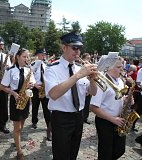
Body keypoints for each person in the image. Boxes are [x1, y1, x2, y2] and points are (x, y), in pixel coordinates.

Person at [44, 31, 98, 160]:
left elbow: (93, 92)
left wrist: (92, 80)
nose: (77, 51)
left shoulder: (80, 67)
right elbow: (54, 94)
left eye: (79, 48)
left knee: (73, 154)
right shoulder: (52, 68)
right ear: (64, 47)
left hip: (78, 117)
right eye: (74, 47)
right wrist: (78, 75)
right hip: (61, 118)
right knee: (61, 156)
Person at [89, 52, 127, 160]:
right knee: (106, 153)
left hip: (119, 119)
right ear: (109, 67)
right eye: (118, 67)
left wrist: (127, 99)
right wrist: (112, 119)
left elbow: (117, 97)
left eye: (121, 66)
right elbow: (92, 107)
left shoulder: (119, 80)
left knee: (119, 150)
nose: (121, 69)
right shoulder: (101, 82)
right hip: (105, 121)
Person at [0, 48, 35, 160]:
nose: (27, 59)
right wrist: (13, 93)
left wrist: (31, 85)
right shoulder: (10, 70)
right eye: (24, 57)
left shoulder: (29, 70)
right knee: (17, 127)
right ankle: (19, 152)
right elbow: (2, 87)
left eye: (27, 57)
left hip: (25, 99)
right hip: (15, 100)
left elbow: (33, 82)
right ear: (18, 57)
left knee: (22, 124)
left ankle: (17, 139)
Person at [30, 48, 52, 139]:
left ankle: (49, 128)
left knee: (47, 109)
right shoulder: (32, 64)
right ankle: (34, 121)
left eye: (44, 54)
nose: (44, 56)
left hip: (44, 88)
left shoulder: (46, 65)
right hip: (35, 88)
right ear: (38, 55)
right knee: (35, 107)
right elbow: (29, 76)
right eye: (42, 54)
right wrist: (35, 85)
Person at [82, 53, 92, 124]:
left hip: (89, 87)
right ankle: (81, 118)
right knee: (82, 104)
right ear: (84, 58)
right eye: (87, 58)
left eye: (89, 58)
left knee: (87, 104)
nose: (89, 59)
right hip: (83, 87)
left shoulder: (90, 66)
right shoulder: (81, 67)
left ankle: (85, 117)